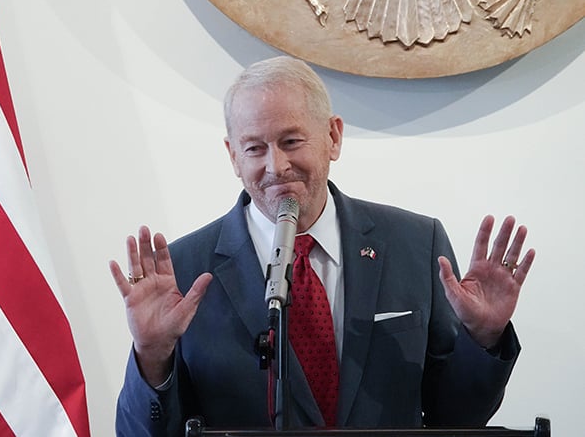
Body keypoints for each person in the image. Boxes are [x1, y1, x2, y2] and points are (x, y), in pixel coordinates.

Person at [109, 56, 535, 436]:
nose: (276, 166)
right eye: (254, 148)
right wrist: (152, 356)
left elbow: (455, 419)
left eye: (291, 142)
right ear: (233, 156)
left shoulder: (415, 245)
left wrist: (483, 337)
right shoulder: (184, 270)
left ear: (333, 136)